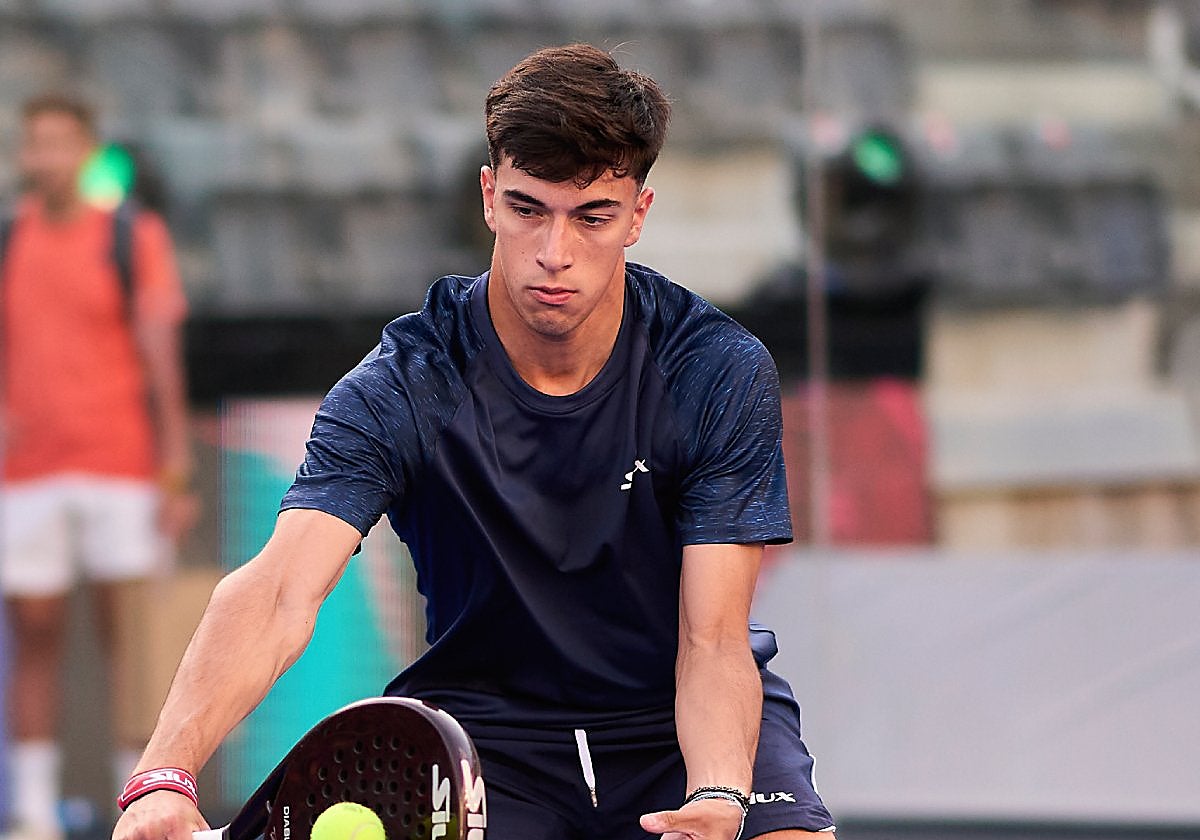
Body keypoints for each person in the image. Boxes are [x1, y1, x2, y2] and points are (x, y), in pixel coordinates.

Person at [112, 44, 836, 840]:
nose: (553, 254)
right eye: (529, 209)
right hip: (484, 745)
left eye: (591, 215)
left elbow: (712, 639)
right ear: (489, 197)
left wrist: (721, 798)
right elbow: (281, 590)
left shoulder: (713, 370)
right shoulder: (404, 382)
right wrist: (163, 774)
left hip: (674, 717)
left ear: (637, 215)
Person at [1, 94, 196, 840]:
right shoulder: (8, 240)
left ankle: (137, 802)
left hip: (120, 465)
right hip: (29, 473)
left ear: (87, 151)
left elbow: (160, 357)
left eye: (61, 142)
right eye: (35, 143)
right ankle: (28, 814)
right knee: (36, 634)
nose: (47, 156)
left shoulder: (132, 236)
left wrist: (174, 466)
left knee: (131, 641)